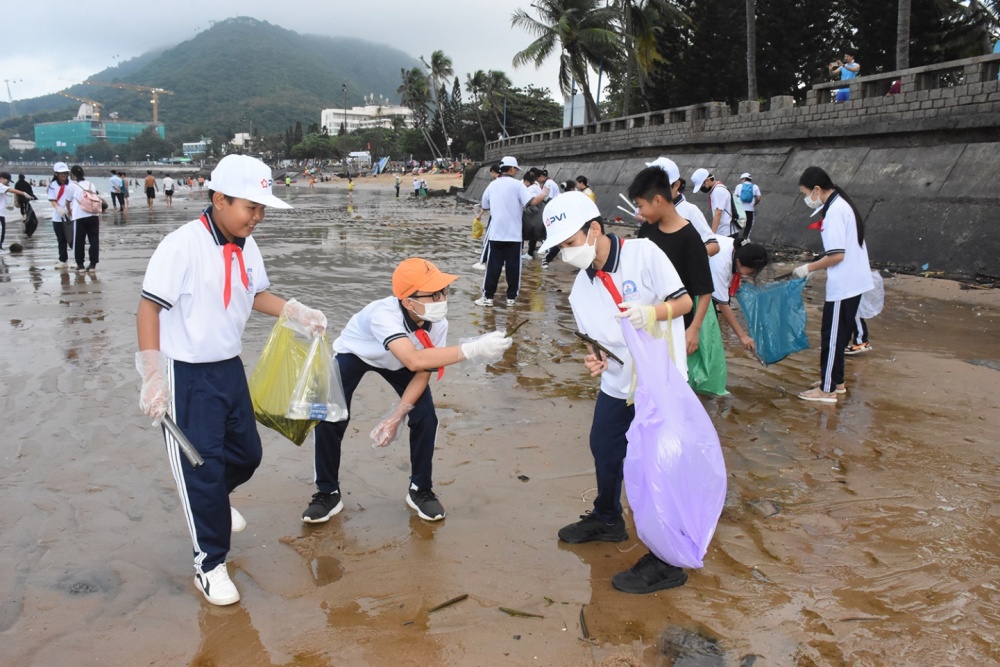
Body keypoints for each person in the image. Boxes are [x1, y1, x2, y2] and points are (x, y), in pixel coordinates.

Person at [135, 154, 326, 606]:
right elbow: (149, 308)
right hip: (188, 374)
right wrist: (150, 374)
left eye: (263, 209)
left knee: (247, 454)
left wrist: (295, 312)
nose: (257, 217)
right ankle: (209, 564)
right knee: (201, 467)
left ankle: (213, 505)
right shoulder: (181, 245)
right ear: (219, 198)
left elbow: (254, 293)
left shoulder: (246, 243)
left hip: (229, 367)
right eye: (250, 207)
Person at [538, 191, 693, 594]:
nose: (566, 254)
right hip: (618, 383)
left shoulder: (645, 254)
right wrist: (596, 360)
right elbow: (595, 343)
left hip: (660, 379)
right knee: (604, 446)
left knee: (658, 465)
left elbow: (683, 302)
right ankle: (608, 519)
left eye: (570, 244)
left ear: (593, 230)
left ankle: (668, 559)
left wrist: (650, 312)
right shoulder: (579, 291)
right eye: (560, 249)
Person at [303, 258, 513, 524]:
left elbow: (423, 370)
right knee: (330, 415)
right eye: (433, 294)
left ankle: (420, 489)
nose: (441, 298)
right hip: (357, 354)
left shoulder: (437, 323)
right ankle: (327, 492)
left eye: (443, 291)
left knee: (425, 416)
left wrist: (397, 415)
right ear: (408, 301)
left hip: (403, 360)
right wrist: (473, 348)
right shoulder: (383, 315)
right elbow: (414, 359)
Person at [631, 161, 724, 394]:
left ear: (658, 200)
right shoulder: (647, 230)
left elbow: (704, 290)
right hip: (649, 318)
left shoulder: (689, 237)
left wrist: (694, 329)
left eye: (641, 206)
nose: (639, 213)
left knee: (674, 382)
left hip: (678, 322)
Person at [793, 166, 873, 403]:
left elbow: (837, 254)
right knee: (837, 335)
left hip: (845, 285)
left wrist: (809, 268)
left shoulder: (836, 211)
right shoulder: (840, 204)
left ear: (816, 189)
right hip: (853, 281)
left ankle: (826, 390)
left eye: (806, 194)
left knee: (832, 338)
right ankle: (836, 382)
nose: (806, 199)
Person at [475, 156, 545, 307]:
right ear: (512, 169)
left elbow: (485, 205)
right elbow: (532, 202)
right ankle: (511, 299)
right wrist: (544, 194)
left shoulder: (491, 186)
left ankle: (487, 298)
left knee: (493, 268)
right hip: (514, 236)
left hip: (496, 234)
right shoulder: (518, 186)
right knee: (513, 268)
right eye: (516, 169)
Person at [708, 237, 769, 351]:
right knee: (708, 321)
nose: (754, 274)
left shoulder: (742, 248)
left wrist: (736, 279)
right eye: (752, 271)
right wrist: (742, 336)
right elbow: (723, 305)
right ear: (738, 262)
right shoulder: (721, 266)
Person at [67, 165, 102, 273]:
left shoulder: (72, 186)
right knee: (94, 240)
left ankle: (80, 264)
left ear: (72, 175)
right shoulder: (91, 184)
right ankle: (92, 264)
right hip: (93, 215)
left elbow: (67, 201)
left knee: (79, 241)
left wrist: (69, 211)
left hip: (79, 216)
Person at [690, 168, 741, 239]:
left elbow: (718, 214)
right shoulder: (719, 187)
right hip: (727, 231)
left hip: (726, 233)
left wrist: (712, 236)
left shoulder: (718, 191)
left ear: (707, 180)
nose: (702, 188)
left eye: (702, 186)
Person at [46, 162, 77, 268]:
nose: (64, 175)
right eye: (61, 173)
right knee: (61, 239)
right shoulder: (52, 185)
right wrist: (58, 208)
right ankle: (63, 260)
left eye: (65, 173)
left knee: (72, 239)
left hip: (71, 215)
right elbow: (52, 199)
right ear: (56, 174)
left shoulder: (72, 184)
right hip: (58, 217)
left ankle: (77, 259)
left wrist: (71, 209)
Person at [472, 164, 501, 271]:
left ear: (493, 172)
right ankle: (501, 263)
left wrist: (479, 215)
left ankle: (483, 261)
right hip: (509, 219)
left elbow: (486, 203)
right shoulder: (514, 183)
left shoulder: (494, 185)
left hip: (495, 217)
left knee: (489, 239)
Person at [0, 172, 34, 254]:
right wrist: (24, 193)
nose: (7, 183)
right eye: (7, 181)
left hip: (1, 213)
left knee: (2, 232)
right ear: (1, 178)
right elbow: (11, 190)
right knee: (1, 232)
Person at [521, 168, 545, 259]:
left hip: (531, 213)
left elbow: (531, 202)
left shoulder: (530, 188)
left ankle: (524, 252)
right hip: (538, 213)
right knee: (535, 233)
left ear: (527, 181)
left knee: (523, 233)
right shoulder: (536, 185)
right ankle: (530, 253)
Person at [737, 173, 761, 239]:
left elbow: (735, 197)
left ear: (744, 179)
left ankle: (735, 239)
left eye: (741, 179)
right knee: (749, 225)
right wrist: (754, 204)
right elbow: (758, 198)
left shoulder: (739, 186)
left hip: (740, 209)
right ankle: (744, 239)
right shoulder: (755, 186)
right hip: (750, 209)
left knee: (737, 223)